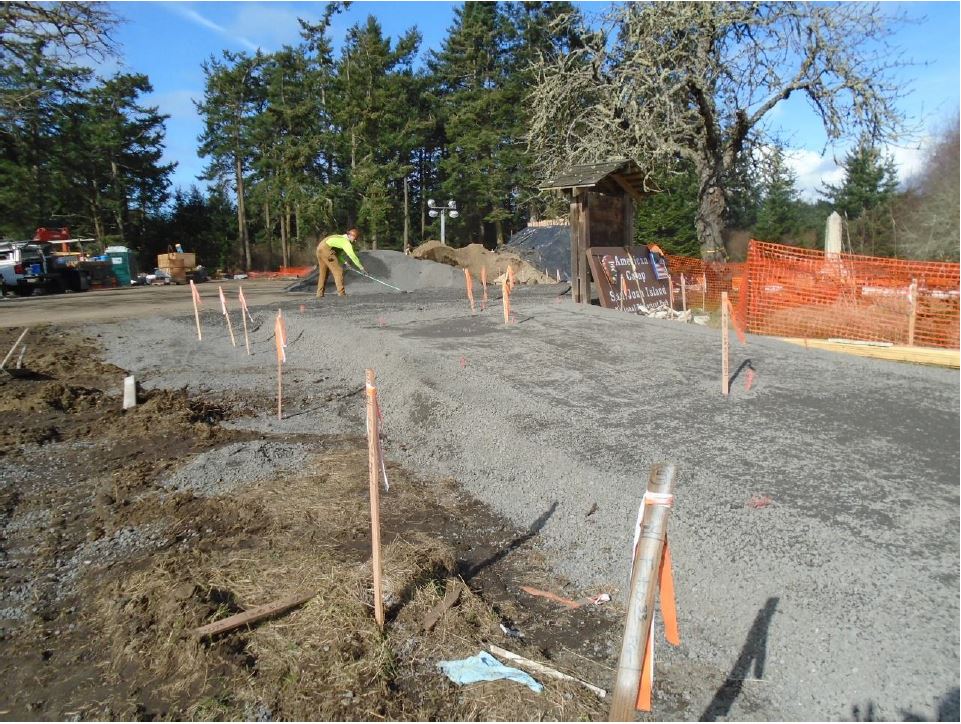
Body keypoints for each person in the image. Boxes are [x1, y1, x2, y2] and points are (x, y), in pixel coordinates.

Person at [316, 228, 364, 298]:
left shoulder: (339, 238)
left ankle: (319, 293)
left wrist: (345, 263)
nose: (355, 240)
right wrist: (361, 267)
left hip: (319, 250)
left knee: (324, 273)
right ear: (351, 236)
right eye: (355, 238)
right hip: (326, 250)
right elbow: (352, 255)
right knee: (338, 271)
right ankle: (341, 293)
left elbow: (338, 255)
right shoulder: (346, 242)